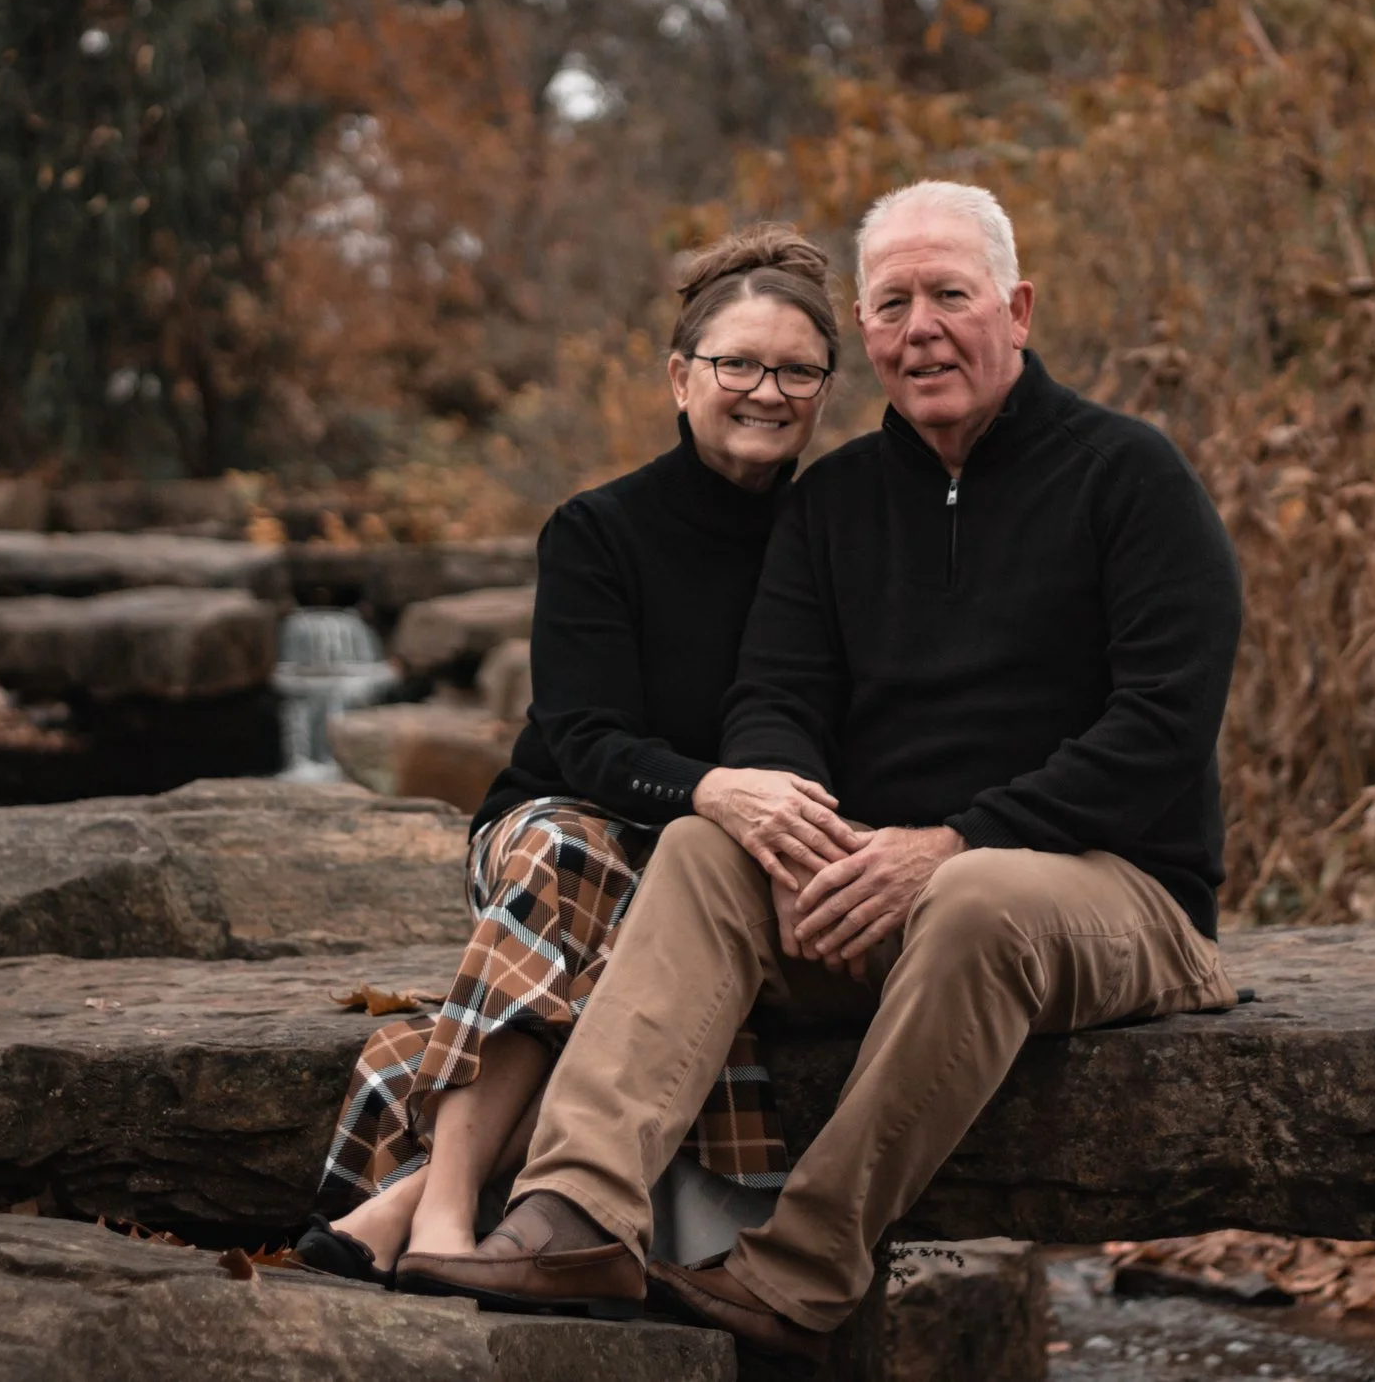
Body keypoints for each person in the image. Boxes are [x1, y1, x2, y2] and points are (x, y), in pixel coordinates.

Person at [398, 180, 1245, 1358]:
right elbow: (774, 698)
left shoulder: (1128, 478)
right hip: (871, 890)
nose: (921, 327)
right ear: (867, 327)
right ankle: (573, 1208)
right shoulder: (835, 502)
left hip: (1108, 891)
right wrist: (799, 832)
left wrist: (951, 840)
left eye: (949, 294)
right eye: (892, 303)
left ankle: (798, 1267)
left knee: (975, 893)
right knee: (707, 842)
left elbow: (1161, 723)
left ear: (1017, 307)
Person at [299, 223, 866, 1297]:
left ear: (827, 387)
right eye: (736, 363)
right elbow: (580, 738)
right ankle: (457, 1203)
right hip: (565, 824)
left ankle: (404, 1205)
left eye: (797, 370)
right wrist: (707, 785)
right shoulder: (600, 530)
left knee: (666, 906)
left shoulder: (835, 533)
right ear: (677, 375)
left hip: (714, 870)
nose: (767, 390)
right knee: (569, 847)